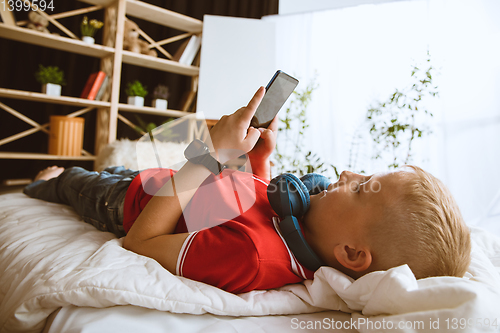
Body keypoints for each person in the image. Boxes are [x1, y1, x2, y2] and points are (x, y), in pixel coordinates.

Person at [24, 87, 471, 293]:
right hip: (167, 182)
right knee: (120, 167)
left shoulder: (253, 257)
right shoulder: (297, 220)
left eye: (361, 191)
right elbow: (250, 194)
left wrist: (206, 154)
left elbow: (141, 241)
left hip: (131, 203)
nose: (349, 174)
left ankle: (50, 180)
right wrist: (262, 156)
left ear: (352, 254)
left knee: (75, 182)